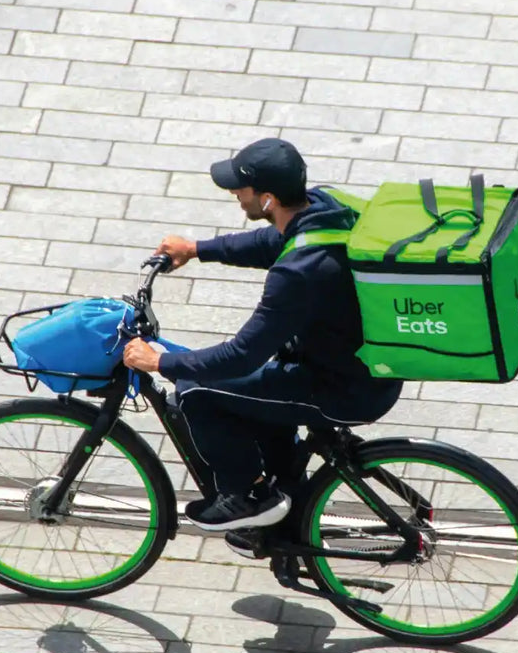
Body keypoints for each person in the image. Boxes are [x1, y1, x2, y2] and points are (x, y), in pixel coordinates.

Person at [122, 138, 402, 535]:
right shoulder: (323, 206)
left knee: (194, 389)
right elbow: (270, 242)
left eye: (241, 188)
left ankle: (248, 498)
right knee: (252, 394)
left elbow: (241, 356)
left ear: (268, 198)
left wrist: (161, 362)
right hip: (363, 371)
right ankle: (286, 503)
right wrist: (196, 249)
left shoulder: (298, 274)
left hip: (341, 391)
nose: (235, 193)